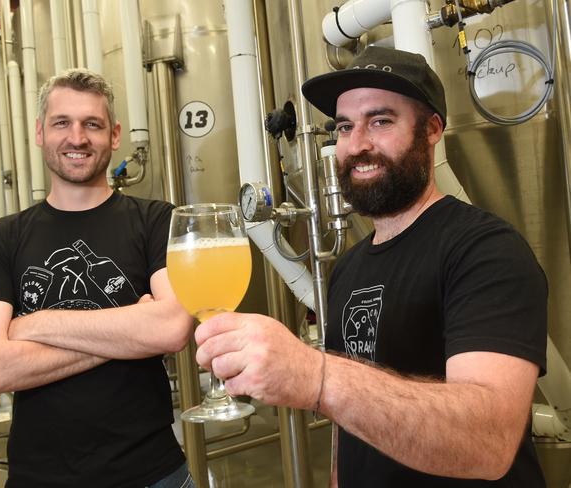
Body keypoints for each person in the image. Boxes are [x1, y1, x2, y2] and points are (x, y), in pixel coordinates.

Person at [194, 46, 548, 487]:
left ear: (432, 129)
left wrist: (315, 376)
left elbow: (488, 442)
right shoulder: (349, 268)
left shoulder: (485, 251)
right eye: (344, 126)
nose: (357, 144)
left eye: (380, 121)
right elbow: (349, 428)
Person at [0, 68, 196, 488]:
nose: (77, 138)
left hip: (153, 474)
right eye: (61, 123)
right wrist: (129, 334)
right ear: (40, 132)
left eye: (92, 124)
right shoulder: (1, 240)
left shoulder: (157, 220)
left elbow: (173, 327)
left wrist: (35, 325)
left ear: (115, 134)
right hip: (40, 478)